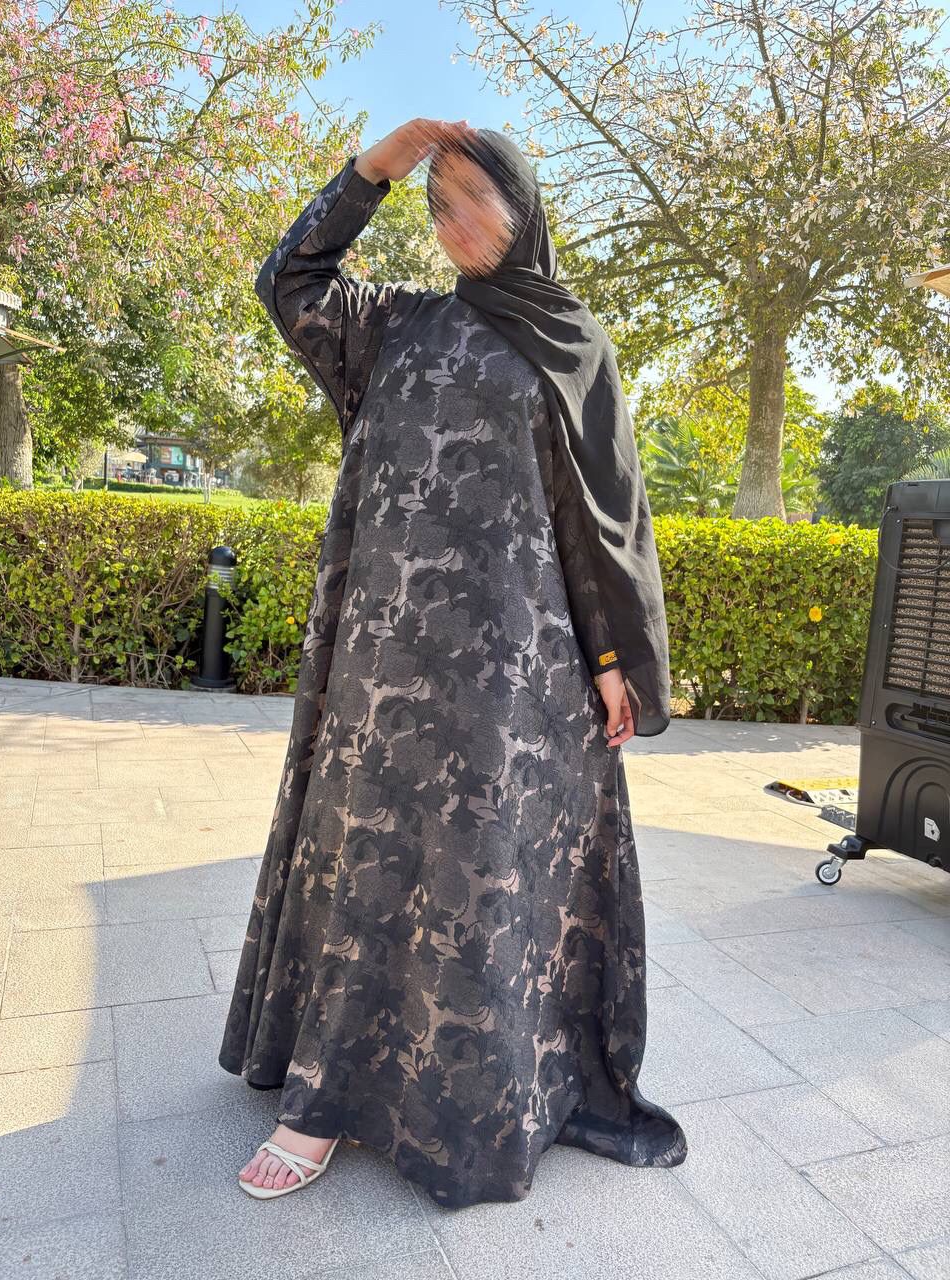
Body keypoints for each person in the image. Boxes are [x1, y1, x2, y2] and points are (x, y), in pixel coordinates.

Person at [220, 118, 687, 1209]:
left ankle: (479, 1090)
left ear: (523, 205)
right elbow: (288, 283)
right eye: (437, 203)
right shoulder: (395, 323)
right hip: (387, 658)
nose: (456, 220)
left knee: (481, 869)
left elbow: (599, 513)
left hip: (515, 672)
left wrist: (611, 658)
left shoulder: (573, 341)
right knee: (366, 852)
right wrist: (372, 172)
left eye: (474, 195)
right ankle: (321, 1097)